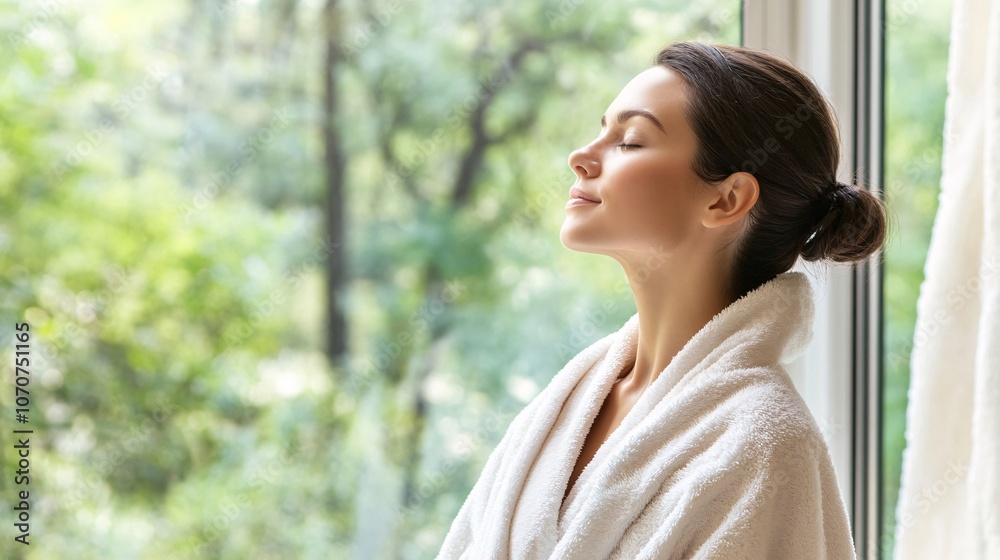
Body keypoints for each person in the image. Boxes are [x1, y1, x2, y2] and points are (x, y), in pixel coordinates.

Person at [436, 41, 886, 559]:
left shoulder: (765, 444)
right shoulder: (569, 404)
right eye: (601, 131)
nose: (580, 158)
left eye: (629, 141)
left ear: (726, 199)